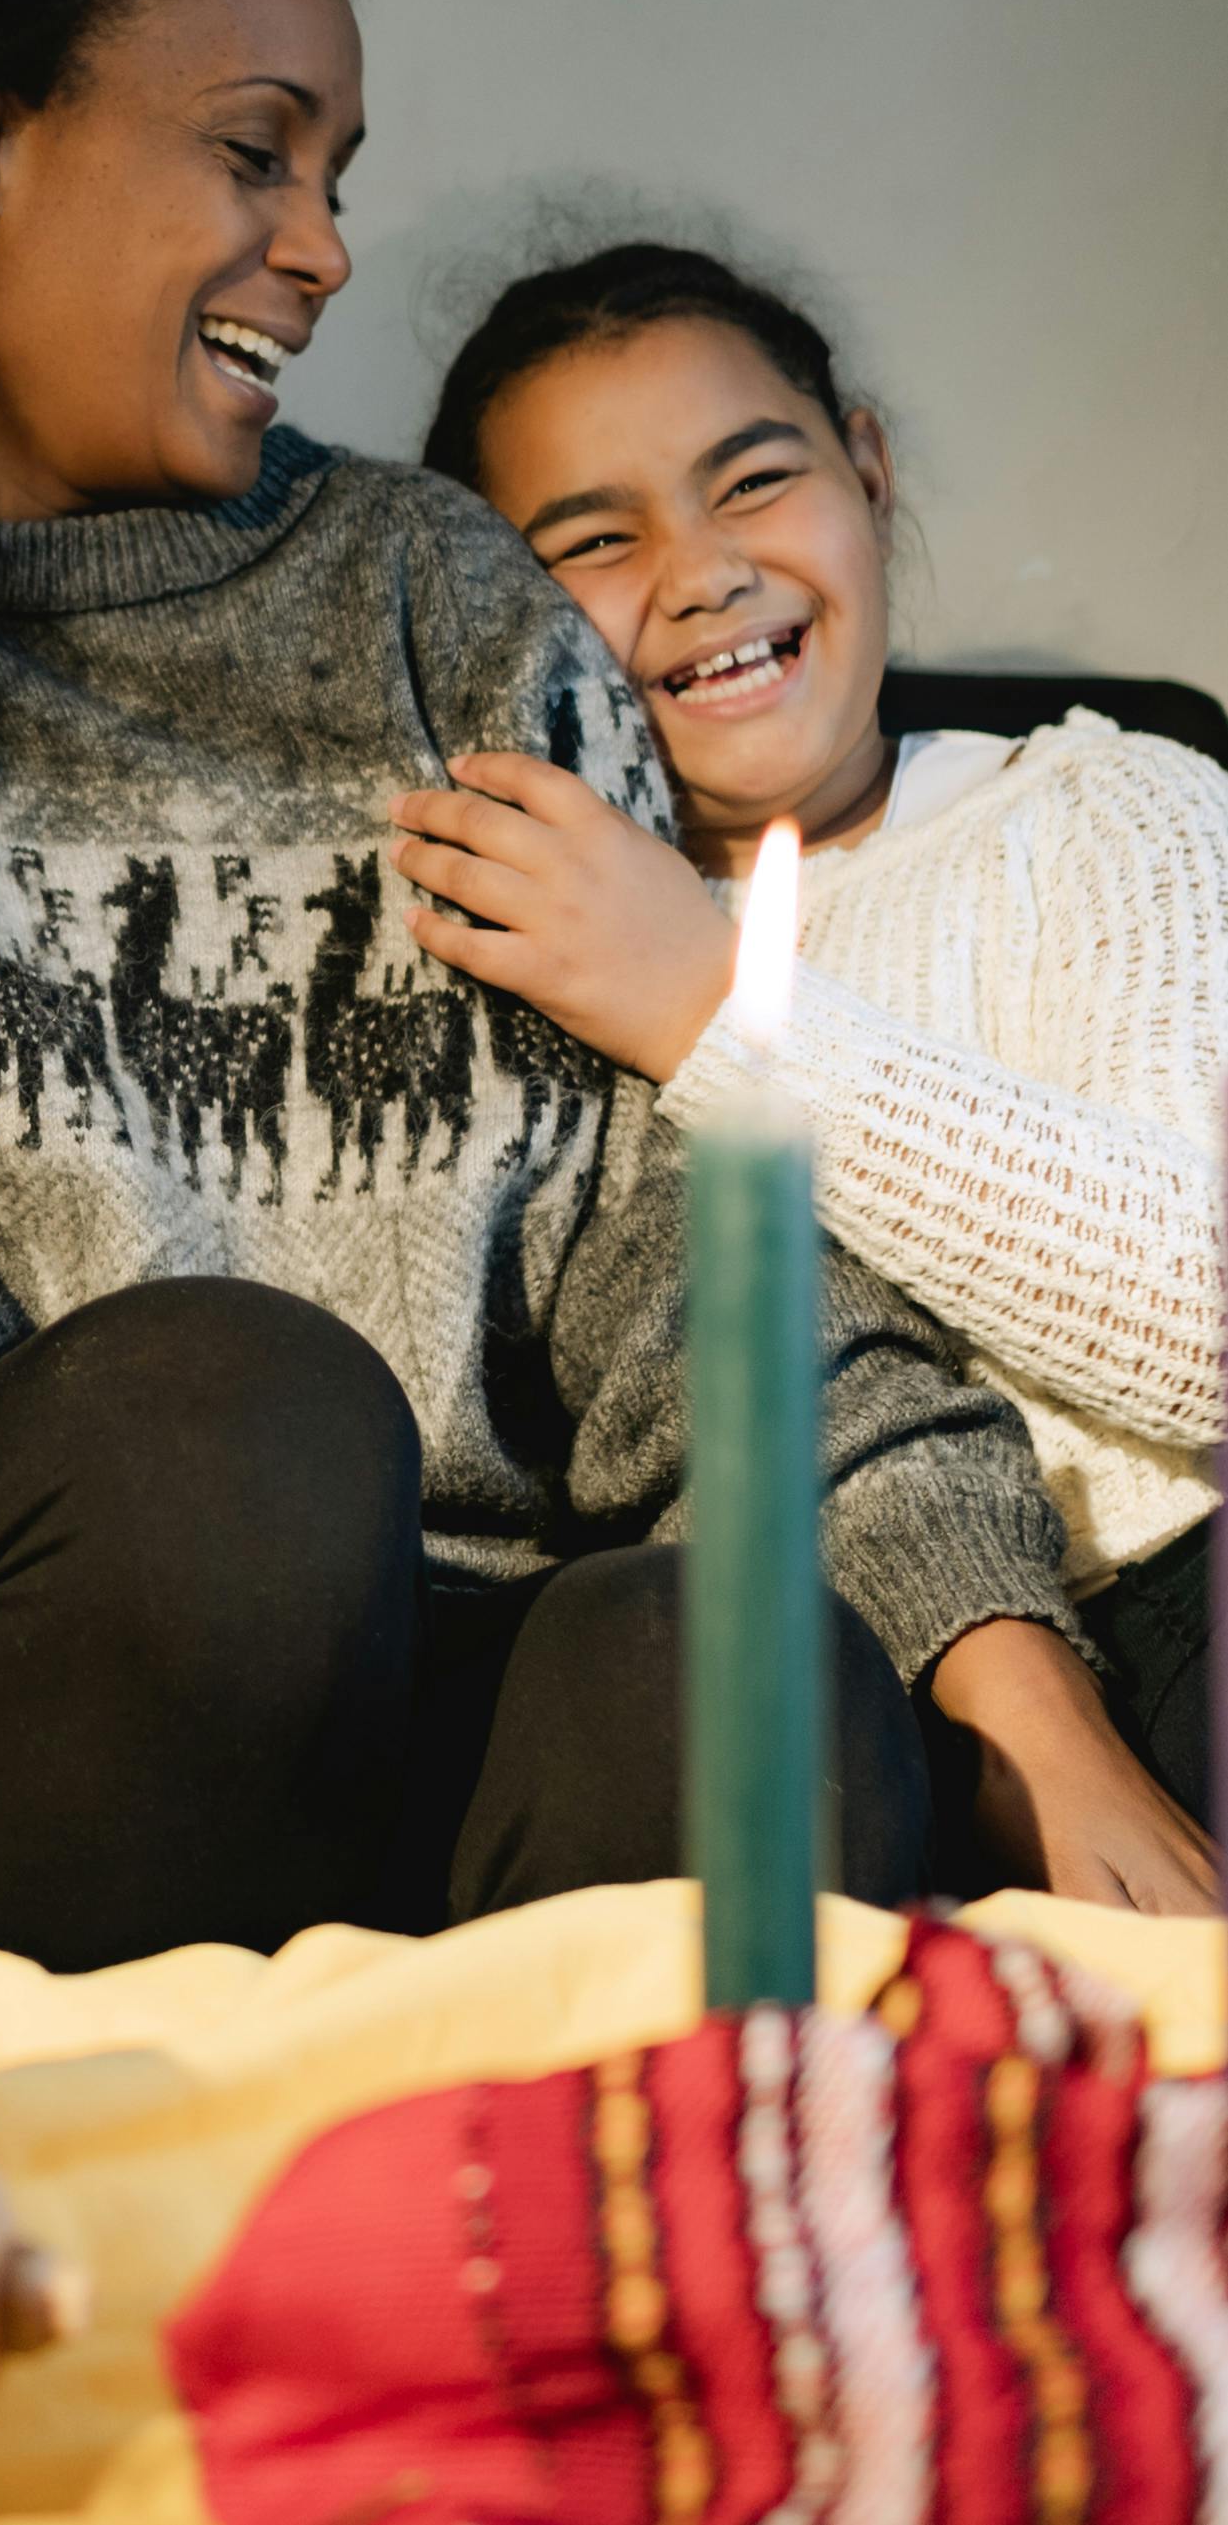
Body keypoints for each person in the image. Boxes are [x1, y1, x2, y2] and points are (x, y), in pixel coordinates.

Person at [0, 0, 1117, 1965]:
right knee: (228, 1420)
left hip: (468, 1709)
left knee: (734, 1659)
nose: (322, 248)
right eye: (250, 152)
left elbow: (687, 1266)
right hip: (0, 1706)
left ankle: (570, 2301)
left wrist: (1036, 1713)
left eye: (333, 170)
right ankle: (93, 2245)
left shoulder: (434, 601)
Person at [405, 237, 1224, 1898]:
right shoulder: (502, 949)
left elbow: (1202, 1320)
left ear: (866, 468)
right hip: (823, 1696)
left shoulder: (1097, 810)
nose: (700, 572)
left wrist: (716, 1008)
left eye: (752, 479)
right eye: (592, 539)